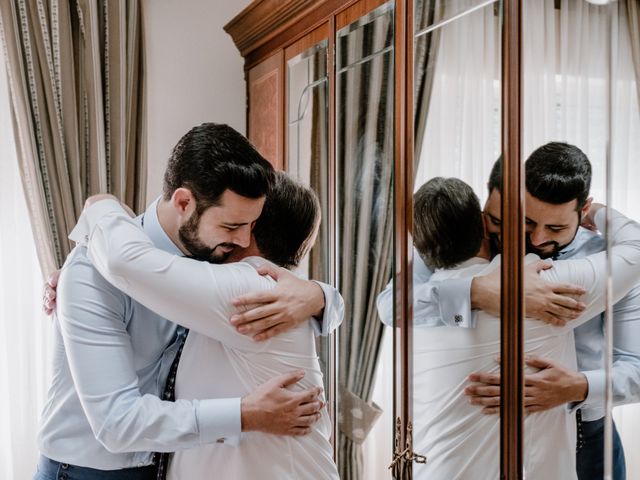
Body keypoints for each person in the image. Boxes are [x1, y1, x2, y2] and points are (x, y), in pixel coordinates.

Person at [35, 123, 343, 480]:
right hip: (87, 470)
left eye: (250, 227)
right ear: (184, 202)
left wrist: (320, 297)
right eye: (232, 227)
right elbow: (117, 421)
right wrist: (245, 414)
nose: (242, 240)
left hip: (161, 462)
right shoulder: (94, 269)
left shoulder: (216, 259)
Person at [409, 176, 640, 479]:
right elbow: (635, 249)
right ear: (483, 224)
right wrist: (597, 211)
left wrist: (579, 386)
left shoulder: (419, 316)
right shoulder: (541, 281)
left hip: (588, 432)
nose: (537, 238)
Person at [466, 143, 640, 479]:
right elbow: (394, 306)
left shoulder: (616, 263)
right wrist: (475, 293)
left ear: (583, 208)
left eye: (556, 228)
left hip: (586, 438)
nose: (538, 238)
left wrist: (577, 387)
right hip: (486, 433)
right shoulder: (488, 241)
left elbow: (637, 369)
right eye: (529, 221)